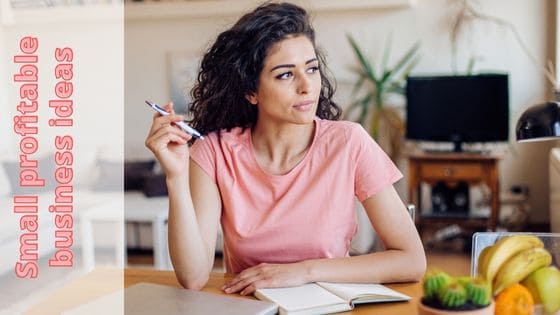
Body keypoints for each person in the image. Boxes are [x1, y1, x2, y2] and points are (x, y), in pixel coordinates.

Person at [145, 2, 426, 296]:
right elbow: (193, 277)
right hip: (251, 308)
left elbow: (411, 260)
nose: (307, 86)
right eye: (285, 75)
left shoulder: (349, 142)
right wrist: (175, 177)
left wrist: (302, 271)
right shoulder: (214, 152)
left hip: (331, 305)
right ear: (251, 91)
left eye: (312, 68)